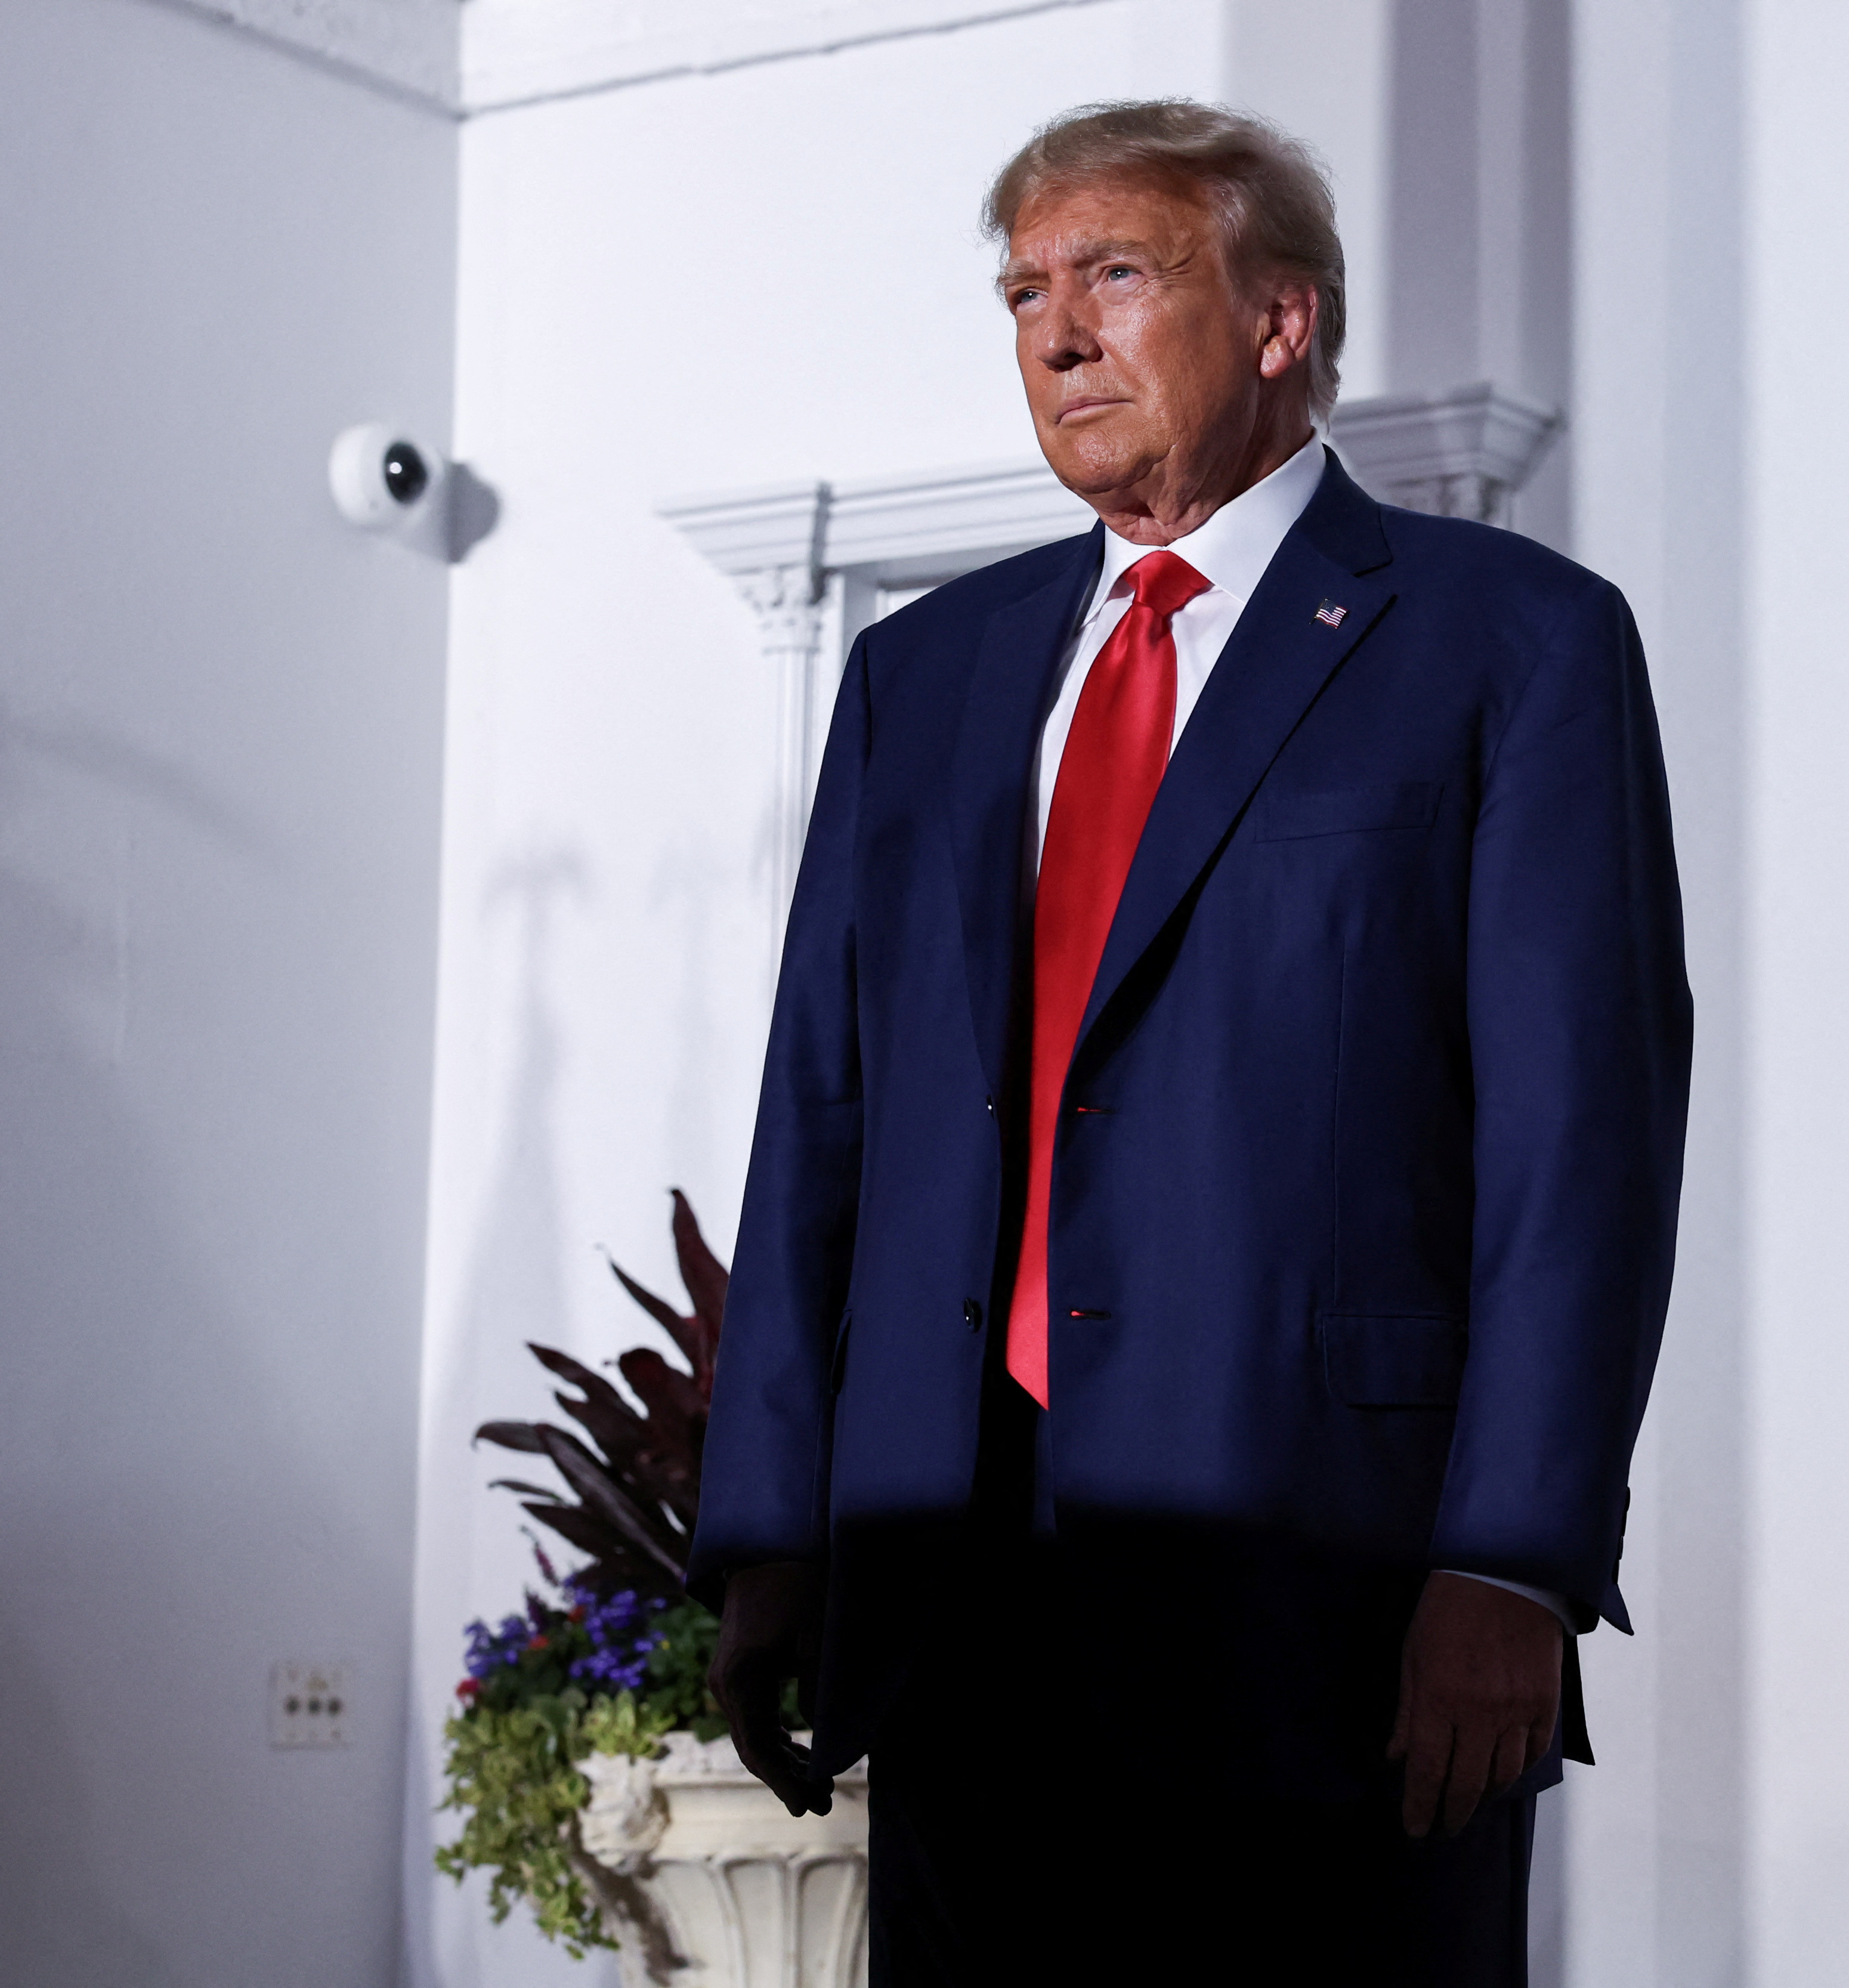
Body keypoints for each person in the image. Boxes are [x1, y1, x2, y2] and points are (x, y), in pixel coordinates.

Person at [687, 98, 1690, 1986]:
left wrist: (1512, 1562)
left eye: (1118, 274)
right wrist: (772, 1529)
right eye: (1025, 292)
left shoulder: (1512, 643)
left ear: (1282, 317)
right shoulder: (928, 672)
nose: (1056, 332)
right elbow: (821, 1107)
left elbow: (1585, 1141)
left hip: (1335, 1589)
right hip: (958, 1569)